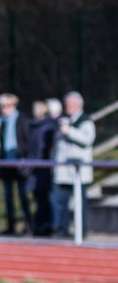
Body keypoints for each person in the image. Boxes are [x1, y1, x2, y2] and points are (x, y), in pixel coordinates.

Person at [51, 91, 96, 238]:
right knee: (60, 203)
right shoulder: (64, 120)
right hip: (63, 171)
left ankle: (81, 231)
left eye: (70, 104)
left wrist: (69, 131)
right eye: (66, 104)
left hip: (78, 172)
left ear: (78, 105)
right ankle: (61, 230)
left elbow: (87, 140)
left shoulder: (86, 121)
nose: (67, 107)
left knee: (80, 204)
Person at [0, 93, 32, 235]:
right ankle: (10, 224)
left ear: (14, 105)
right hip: (4, 162)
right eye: (2, 106)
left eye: (7, 106)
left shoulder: (22, 120)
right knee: (8, 196)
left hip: (19, 162)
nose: (4, 109)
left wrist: (23, 156)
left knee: (22, 195)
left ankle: (28, 224)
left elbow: (27, 140)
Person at [27, 100, 59, 236]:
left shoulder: (49, 126)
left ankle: (47, 224)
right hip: (33, 165)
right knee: (37, 196)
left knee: (45, 196)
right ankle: (39, 224)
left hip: (44, 166)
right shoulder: (31, 125)